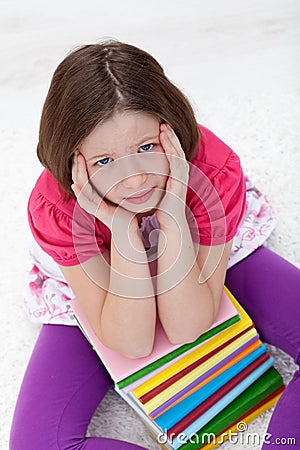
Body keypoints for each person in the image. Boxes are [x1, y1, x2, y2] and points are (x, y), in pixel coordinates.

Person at [10, 41, 299, 450]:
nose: (133, 180)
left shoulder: (211, 174)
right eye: (105, 161)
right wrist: (124, 232)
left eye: (147, 148)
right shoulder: (57, 209)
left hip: (198, 240)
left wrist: (173, 210)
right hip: (104, 280)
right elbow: (133, 341)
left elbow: (188, 326)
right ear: (73, 162)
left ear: (172, 131)